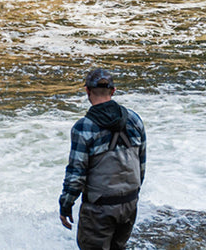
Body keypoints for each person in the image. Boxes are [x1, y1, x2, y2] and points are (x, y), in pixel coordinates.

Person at [58, 69, 147, 250]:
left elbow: (76, 174)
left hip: (99, 209)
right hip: (130, 203)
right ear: (113, 91)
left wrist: (66, 205)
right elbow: (142, 163)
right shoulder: (135, 119)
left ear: (87, 91)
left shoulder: (84, 127)